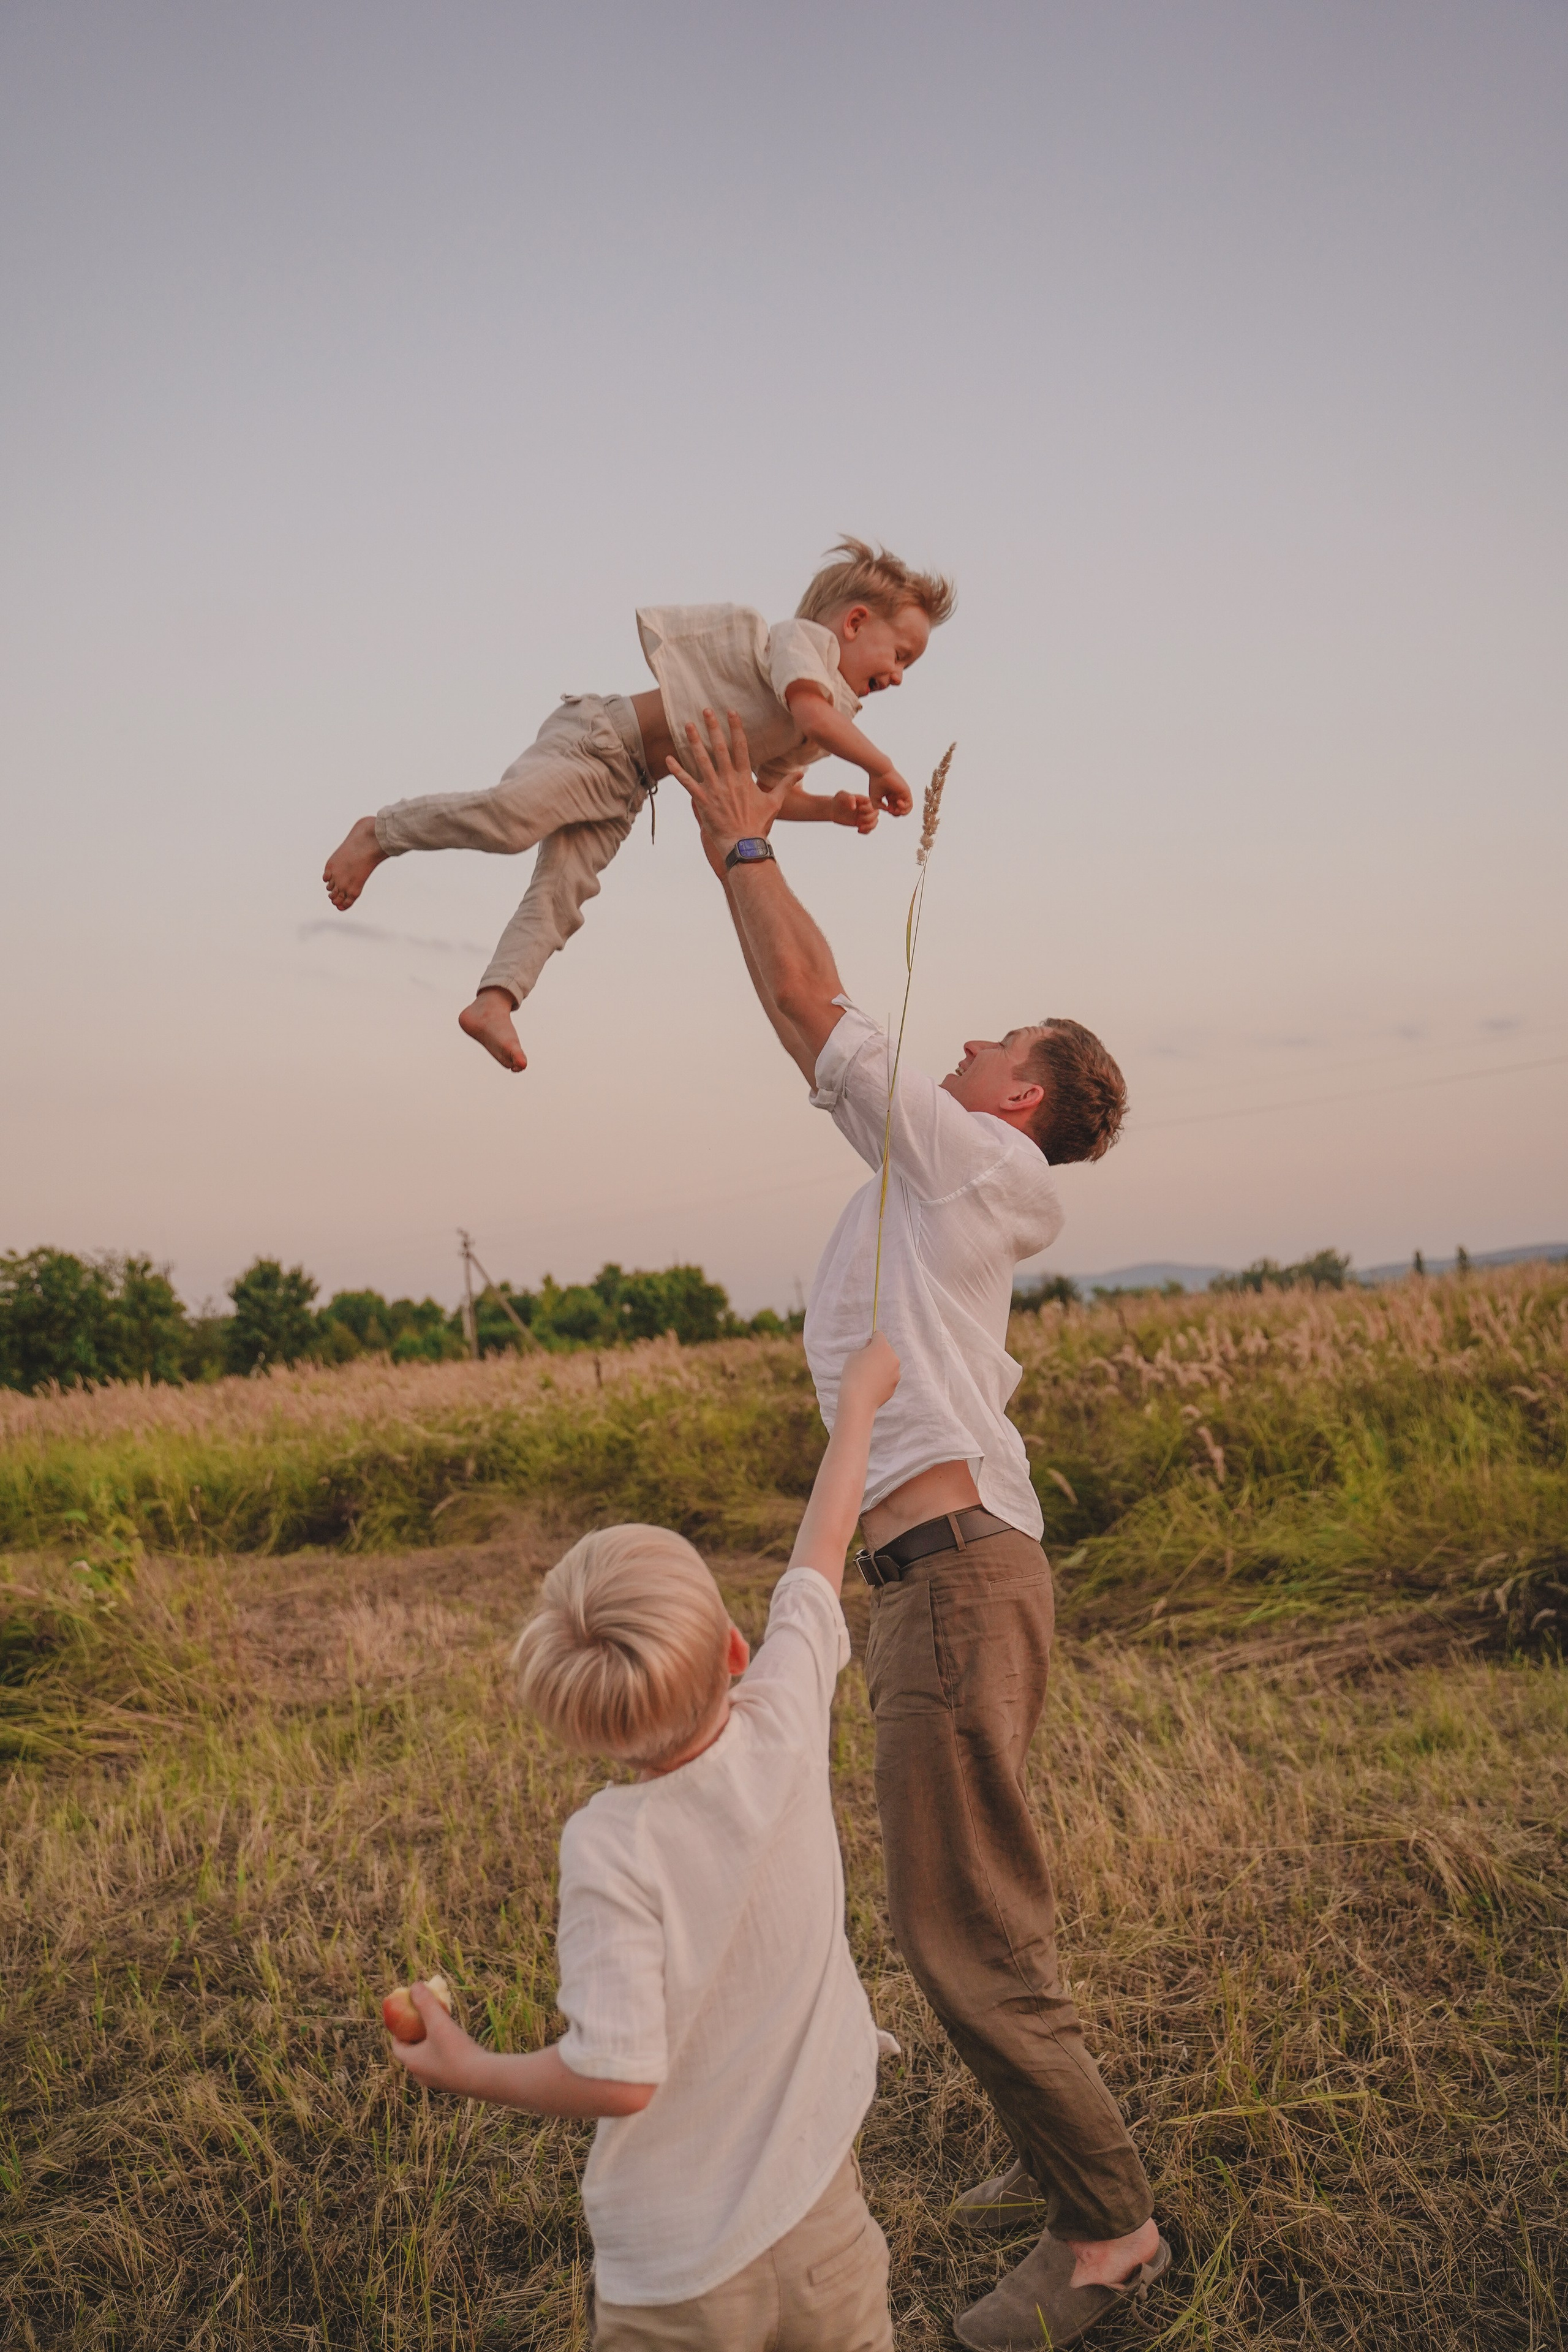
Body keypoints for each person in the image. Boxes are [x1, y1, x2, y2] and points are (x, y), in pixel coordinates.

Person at [668, 711, 1172, 2352]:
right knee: (964, 1909)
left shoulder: (966, 1161)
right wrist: (745, 846)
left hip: (950, 1584)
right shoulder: (943, 1179)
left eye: (989, 1040)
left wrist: (745, 840)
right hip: (943, 1580)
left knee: (965, 1928)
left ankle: (1113, 2244)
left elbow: (818, 1008)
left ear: (1021, 1091)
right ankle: (1063, 2169)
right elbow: (817, 1021)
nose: (957, 1046)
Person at [388, 1331, 903, 2352]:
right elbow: (822, 1550)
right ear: (732, 1650)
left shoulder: (610, 1848)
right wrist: (859, 1407)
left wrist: (470, 2067)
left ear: (577, 1725)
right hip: (822, 2217)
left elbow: (621, 2075)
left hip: (678, 2278)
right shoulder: (788, 1717)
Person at [321, 537, 954, 1072]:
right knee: (513, 818)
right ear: (854, 622)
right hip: (600, 738)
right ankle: (381, 831)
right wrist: (880, 766)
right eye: (900, 655)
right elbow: (809, 707)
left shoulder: (820, 725)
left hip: (627, 787)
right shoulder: (800, 647)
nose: (899, 676)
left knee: (561, 893)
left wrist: (830, 811)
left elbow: (761, 795)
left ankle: (495, 1000)